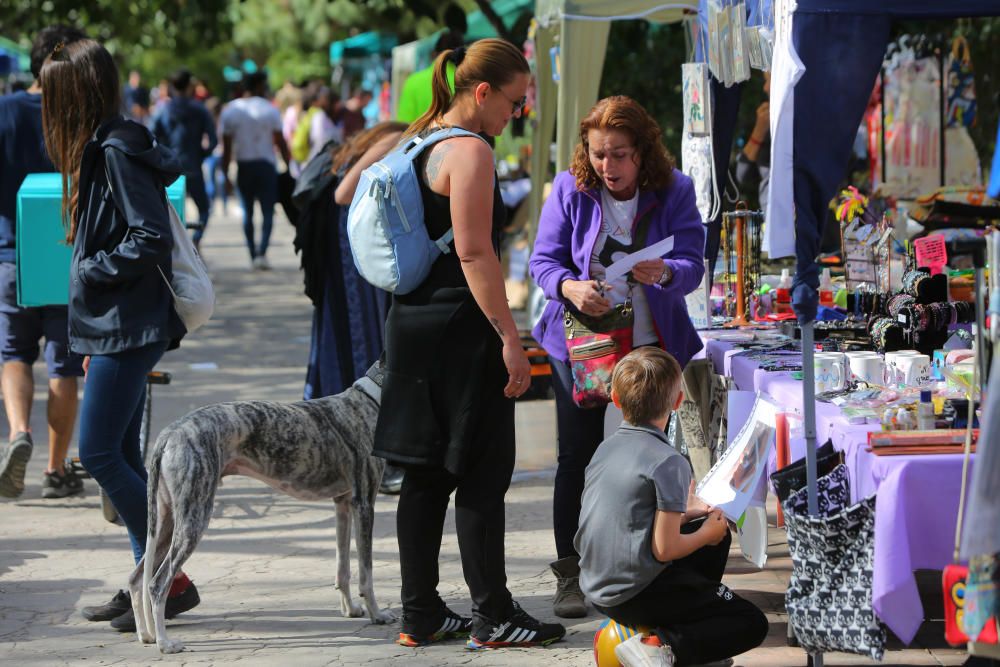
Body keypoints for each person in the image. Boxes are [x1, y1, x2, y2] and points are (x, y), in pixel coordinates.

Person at [373, 38, 565, 650]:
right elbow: (474, 251)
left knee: (426, 474)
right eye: (514, 102)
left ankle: (420, 612)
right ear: (482, 92)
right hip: (462, 326)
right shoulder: (471, 151)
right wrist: (510, 337)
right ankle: (493, 614)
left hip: (411, 323)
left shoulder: (418, 137)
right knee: (484, 471)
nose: (516, 116)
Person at [40, 38, 200, 631]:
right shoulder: (104, 147)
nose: (43, 105)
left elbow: (148, 236)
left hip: (128, 325)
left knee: (99, 453)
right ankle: (154, 581)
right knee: (123, 451)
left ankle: (166, 576)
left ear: (71, 95)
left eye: (50, 92)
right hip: (117, 327)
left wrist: (90, 271)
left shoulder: (114, 151)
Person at [529, 95, 707, 618]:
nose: (609, 166)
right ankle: (570, 572)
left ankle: (655, 565)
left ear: (643, 151)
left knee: (658, 459)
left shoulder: (674, 189)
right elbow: (543, 260)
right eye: (599, 154)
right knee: (576, 458)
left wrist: (668, 272)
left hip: (650, 347)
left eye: (621, 154)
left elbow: (694, 260)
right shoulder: (570, 188)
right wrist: (568, 287)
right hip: (582, 345)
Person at [576, 347, 768, 667]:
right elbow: (665, 549)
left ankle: (688, 642)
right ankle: (662, 646)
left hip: (597, 585)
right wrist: (706, 534)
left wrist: (690, 514)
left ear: (617, 400)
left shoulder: (606, 448)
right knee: (750, 622)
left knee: (709, 532)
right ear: (678, 403)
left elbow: (625, 514)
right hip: (631, 594)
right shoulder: (668, 461)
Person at [0, 24, 87, 500]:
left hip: (9, 251)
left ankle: (18, 432)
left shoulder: (5, 111)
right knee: (64, 365)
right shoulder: (80, 114)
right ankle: (56, 470)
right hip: (67, 255)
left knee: (13, 352)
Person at [219, 71, 291, 270]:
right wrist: (289, 165)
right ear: (261, 86)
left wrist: (225, 174)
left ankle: (252, 254)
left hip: (244, 165)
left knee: (247, 212)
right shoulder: (270, 110)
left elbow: (226, 148)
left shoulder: (231, 111)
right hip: (266, 165)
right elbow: (281, 142)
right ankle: (262, 252)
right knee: (268, 211)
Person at [152, 68, 217, 248]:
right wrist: (202, 155)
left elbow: (150, 138)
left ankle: (176, 245)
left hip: (169, 171)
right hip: (194, 166)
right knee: (204, 209)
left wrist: (161, 158)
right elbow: (213, 140)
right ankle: (195, 239)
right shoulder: (200, 110)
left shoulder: (162, 111)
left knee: (167, 211)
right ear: (190, 86)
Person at [395, 31, 464, 124]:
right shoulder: (466, 80)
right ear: (463, 56)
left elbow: (403, 123)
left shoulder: (413, 81)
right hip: (460, 137)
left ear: (434, 53)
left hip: (419, 137)